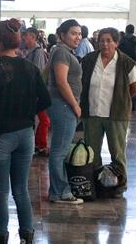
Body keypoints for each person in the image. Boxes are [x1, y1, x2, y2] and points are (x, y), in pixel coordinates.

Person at [0, 18, 51, 244]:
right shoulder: (30, 66)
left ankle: (1, 237)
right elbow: (45, 99)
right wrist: (27, 113)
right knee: (21, 190)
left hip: (0, 137)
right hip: (26, 134)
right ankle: (27, 236)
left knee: (0, 192)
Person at [81, 27, 136, 199]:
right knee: (92, 152)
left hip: (116, 115)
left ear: (116, 43)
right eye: (101, 40)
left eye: (109, 40)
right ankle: (95, 185)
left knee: (117, 152)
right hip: (92, 112)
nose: (105, 44)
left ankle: (120, 187)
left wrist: (122, 100)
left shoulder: (126, 62)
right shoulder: (89, 60)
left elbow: (135, 87)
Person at [47, 19, 84, 204]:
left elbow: (47, 75)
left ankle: (56, 192)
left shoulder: (63, 51)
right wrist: (75, 106)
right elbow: (61, 82)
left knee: (59, 149)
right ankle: (62, 192)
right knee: (59, 151)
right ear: (63, 35)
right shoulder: (61, 52)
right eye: (73, 33)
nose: (77, 37)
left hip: (62, 104)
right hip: (63, 104)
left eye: (79, 33)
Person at [22, 27, 50, 156]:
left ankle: (40, 144)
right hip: (31, 92)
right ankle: (39, 144)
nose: (24, 38)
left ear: (33, 37)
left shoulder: (37, 53)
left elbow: (37, 74)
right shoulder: (30, 52)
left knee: (43, 120)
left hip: (34, 92)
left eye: (26, 36)